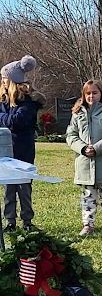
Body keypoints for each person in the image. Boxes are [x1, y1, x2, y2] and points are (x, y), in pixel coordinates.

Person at [66, 80, 102, 236]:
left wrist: (97, 148)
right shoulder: (77, 113)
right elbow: (71, 136)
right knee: (88, 197)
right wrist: (83, 149)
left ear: (101, 94)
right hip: (84, 163)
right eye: (88, 93)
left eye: (95, 92)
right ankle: (87, 224)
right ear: (84, 95)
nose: (91, 96)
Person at [0, 54, 44, 230]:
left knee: (24, 187)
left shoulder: (28, 103)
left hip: (23, 151)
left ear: (11, 81)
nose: (1, 82)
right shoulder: (3, 102)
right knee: (9, 189)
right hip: (7, 153)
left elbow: (15, 122)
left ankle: (27, 221)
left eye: (4, 78)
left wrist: (2, 117)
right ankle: (10, 221)